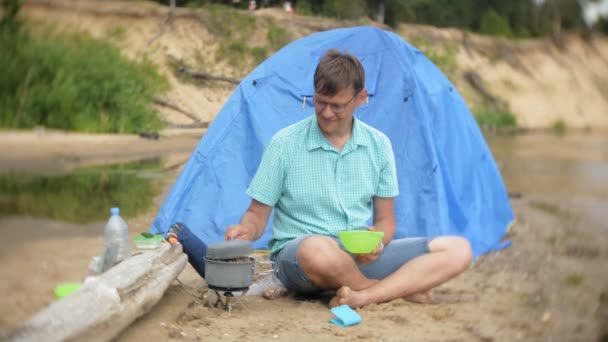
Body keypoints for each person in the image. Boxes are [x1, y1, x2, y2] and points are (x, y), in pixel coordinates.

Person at [223, 49, 473, 308]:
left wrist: (377, 243)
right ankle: (382, 288)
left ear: (361, 98)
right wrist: (246, 230)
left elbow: (386, 221)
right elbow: (256, 214)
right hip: (299, 260)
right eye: (320, 102)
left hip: (356, 258)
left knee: (457, 249)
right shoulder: (284, 144)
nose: (327, 112)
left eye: (337, 105)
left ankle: (363, 295)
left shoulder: (378, 145)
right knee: (317, 249)